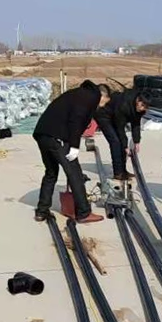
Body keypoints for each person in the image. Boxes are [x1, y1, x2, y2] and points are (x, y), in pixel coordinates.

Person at [32, 80, 110, 224]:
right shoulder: (90, 97)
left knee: (51, 172)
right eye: (105, 102)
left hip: (43, 134)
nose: (102, 106)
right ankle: (83, 213)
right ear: (103, 96)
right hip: (57, 137)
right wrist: (74, 146)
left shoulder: (78, 94)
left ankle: (42, 211)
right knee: (75, 174)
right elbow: (76, 120)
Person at [94, 89, 150, 180]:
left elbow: (136, 124)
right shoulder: (124, 106)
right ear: (138, 100)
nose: (143, 109)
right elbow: (120, 128)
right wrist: (125, 146)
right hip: (103, 115)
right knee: (115, 142)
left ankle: (123, 170)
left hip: (115, 116)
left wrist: (136, 141)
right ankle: (118, 173)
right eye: (142, 105)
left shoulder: (141, 109)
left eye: (146, 107)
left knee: (121, 142)